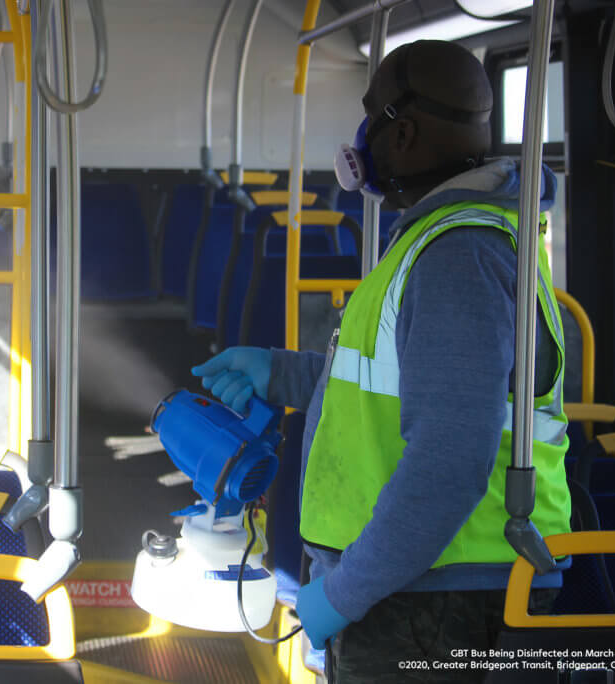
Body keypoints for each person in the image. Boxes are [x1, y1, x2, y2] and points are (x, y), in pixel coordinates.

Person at [191, 40, 571, 683]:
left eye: (374, 121)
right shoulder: (449, 239)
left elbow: (448, 465)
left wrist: (341, 596)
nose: (363, 139)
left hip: (437, 602)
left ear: (405, 133)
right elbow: (396, 391)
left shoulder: (457, 257)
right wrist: (280, 372)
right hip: (417, 584)